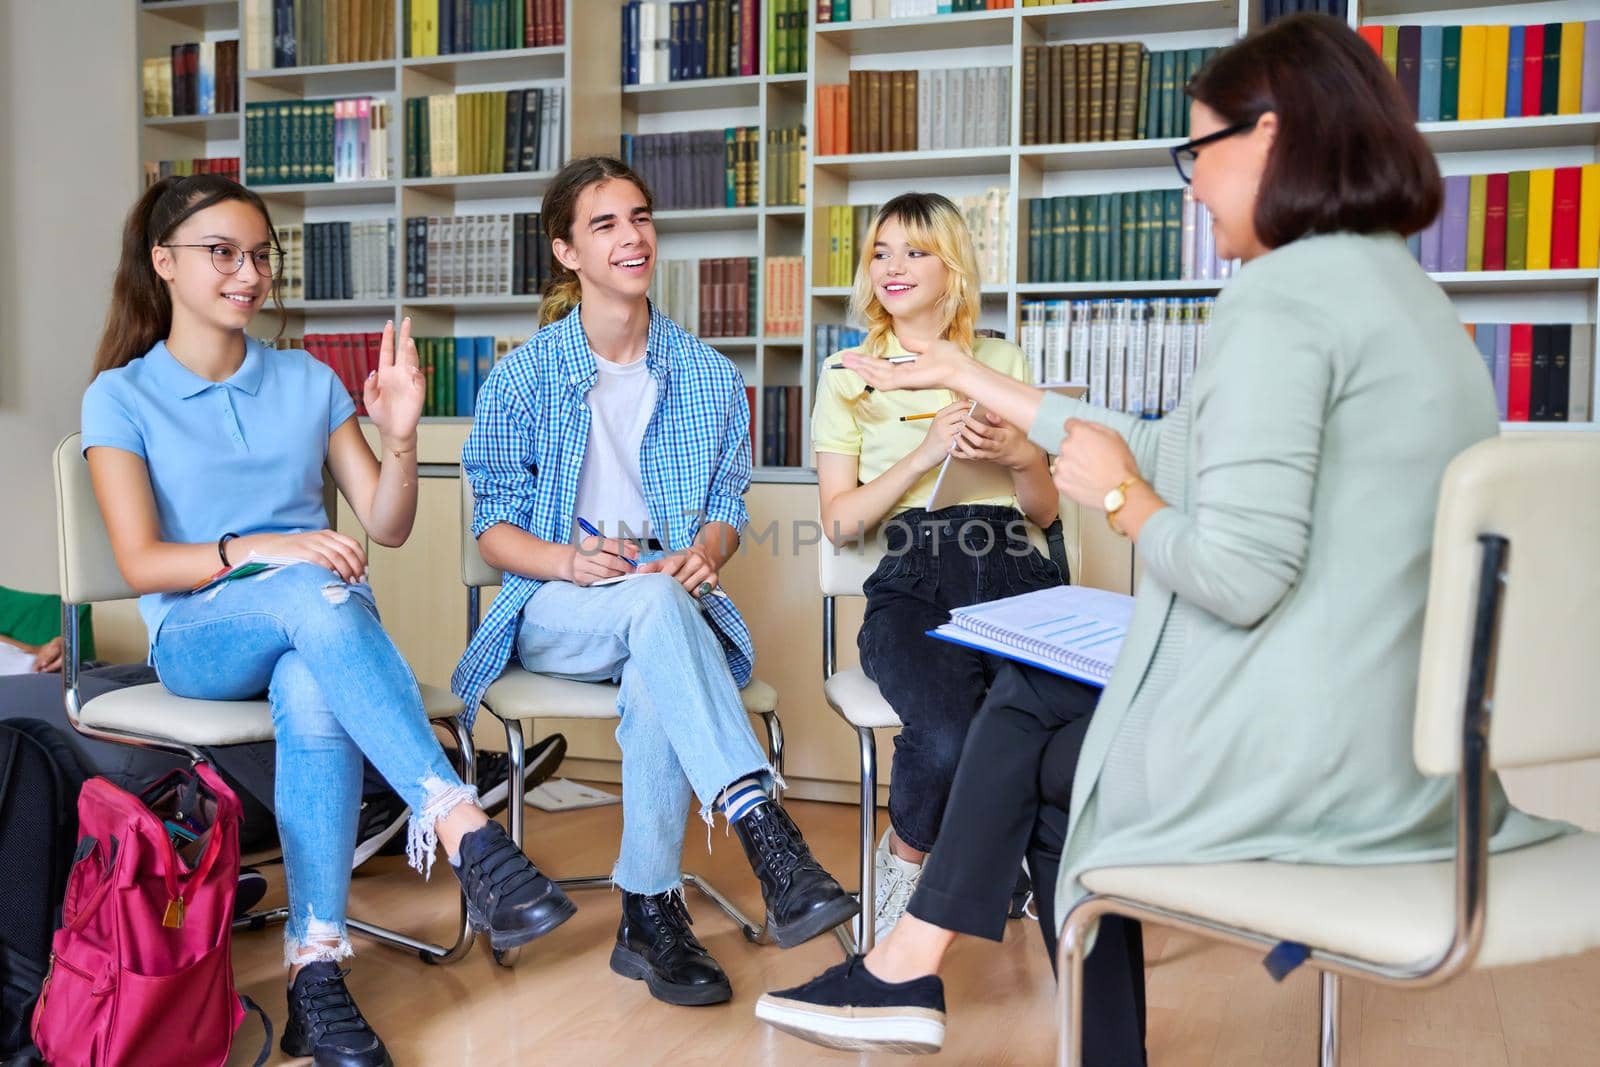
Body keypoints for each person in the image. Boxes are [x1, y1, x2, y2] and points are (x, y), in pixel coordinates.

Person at [756, 14, 1567, 1059]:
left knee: (1031, 708)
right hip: (1420, 761)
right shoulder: (1410, 298)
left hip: (1315, 764)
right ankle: (946, 985)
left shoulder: (1278, 302)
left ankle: (908, 971)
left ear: (1268, 140)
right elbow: (1174, 441)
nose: (1189, 184)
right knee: (1037, 713)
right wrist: (973, 379)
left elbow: (1231, 571)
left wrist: (1125, 503)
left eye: (1196, 151)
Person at [82, 174, 570, 1067]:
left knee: (314, 671)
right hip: (198, 635)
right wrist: (264, 549)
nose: (248, 273)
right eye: (222, 253)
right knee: (317, 592)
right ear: (165, 264)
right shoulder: (120, 395)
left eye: (260, 255)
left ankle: (315, 973)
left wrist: (402, 436)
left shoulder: (306, 379)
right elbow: (141, 563)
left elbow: (385, 525)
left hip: (317, 629)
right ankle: (464, 826)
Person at [454, 155, 858, 1007]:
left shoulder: (707, 374)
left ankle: (651, 913)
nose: (631, 236)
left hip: (663, 615)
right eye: (604, 224)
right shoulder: (523, 377)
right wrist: (567, 559)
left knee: (657, 648)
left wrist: (704, 551)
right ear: (566, 251)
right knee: (651, 605)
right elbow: (493, 530)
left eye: (639, 217)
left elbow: (726, 508)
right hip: (557, 610)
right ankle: (766, 830)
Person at [811, 191, 1081, 941]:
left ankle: (1036, 878)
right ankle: (904, 862)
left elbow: (1045, 511)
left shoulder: (1002, 360)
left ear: (953, 264)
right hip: (915, 571)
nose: (893, 267)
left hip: (1014, 568)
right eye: (881, 251)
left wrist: (1021, 454)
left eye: (916, 251)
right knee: (951, 733)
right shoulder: (847, 372)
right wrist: (929, 451)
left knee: (1068, 723)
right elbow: (839, 522)